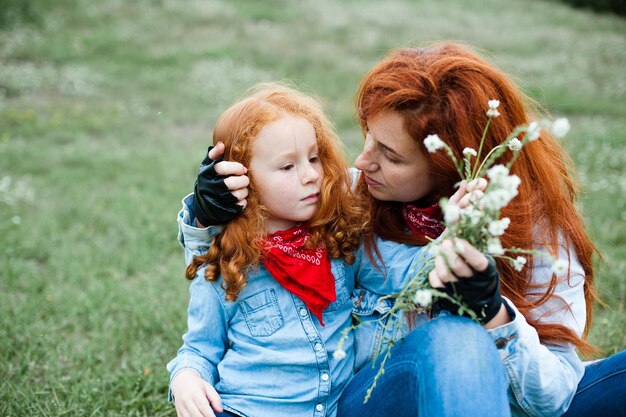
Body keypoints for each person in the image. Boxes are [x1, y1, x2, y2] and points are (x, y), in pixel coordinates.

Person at [177, 44, 626, 416]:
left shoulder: (539, 238)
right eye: (367, 136)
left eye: (391, 155)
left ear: (446, 166)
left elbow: (554, 398)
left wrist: (493, 312)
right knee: (457, 339)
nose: (360, 162)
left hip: (512, 401)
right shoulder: (350, 201)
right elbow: (234, 260)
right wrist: (205, 210)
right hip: (381, 397)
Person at [166, 83, 368, 417]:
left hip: (339, 405)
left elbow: (371, 182)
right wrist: (185, 378)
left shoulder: (336, 234)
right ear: (242, 178)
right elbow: (201, 348)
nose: (310, 176)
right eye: (287, 167)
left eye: (314, 158)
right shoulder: (228, 258)